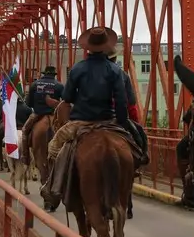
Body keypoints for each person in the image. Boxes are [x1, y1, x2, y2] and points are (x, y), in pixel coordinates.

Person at [43, 27, 129, 196]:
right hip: (108, 120)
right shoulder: (115, 70)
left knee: (53, 147)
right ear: (106, 46)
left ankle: (53, 188)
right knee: (136, 141)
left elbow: (67, 97)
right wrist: (122, 123)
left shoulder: (77, 69)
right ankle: (136, 168)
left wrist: (81, 97)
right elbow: (121, 101)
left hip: (81, 122)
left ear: (88, 47)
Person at [106, 48, 149, 166]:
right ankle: (143, 156)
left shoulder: (87, 71)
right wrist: (135, 123)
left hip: (91, 118)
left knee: (61, 146)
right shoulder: (122, 74)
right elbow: (131, 105)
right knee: (140, 134)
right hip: (117, 118)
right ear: (114, 58)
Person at [20, 66, 64, 164]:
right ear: (54, 75)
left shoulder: (35, 84)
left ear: (44, 74)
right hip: (54, 115)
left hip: (37, 114)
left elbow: (29, 103)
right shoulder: (59, 85)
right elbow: (65, 101)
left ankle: (25, 156)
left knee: (25, 131)